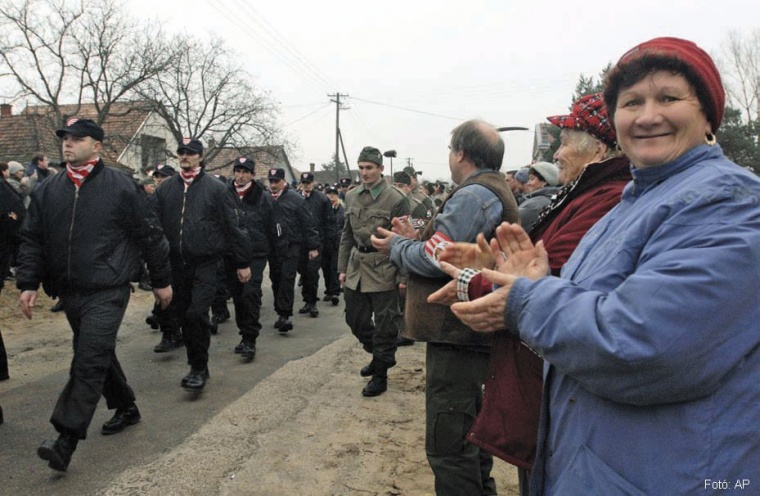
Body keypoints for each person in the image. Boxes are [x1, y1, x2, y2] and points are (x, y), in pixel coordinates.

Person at [446, 38, 760, 495]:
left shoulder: (725, 201)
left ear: (708, 114)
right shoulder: (638, 199)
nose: (648, 115)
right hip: (613, 463)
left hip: (678, 474)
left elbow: (641, 343)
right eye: (632, 102)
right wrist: (523, 277)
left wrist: (526, 297)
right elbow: (591, 302)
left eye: (668, 98)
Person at [431, 92, 630, 496]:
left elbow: (548, 272)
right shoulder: (585, 192)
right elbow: (531, 268)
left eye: (566, 140)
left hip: (556, 377)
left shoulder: (603, 198)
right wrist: (491, 265)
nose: (557, 153)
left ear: (598, 147)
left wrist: (474, 279)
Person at [15, 118, 172, 472]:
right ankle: (126, 406)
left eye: (77, 139)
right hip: (69, 290)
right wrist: (28, 283)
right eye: (65, 139)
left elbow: (151, 235)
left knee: (87, 357)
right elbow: (32, 240)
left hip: (108, 287)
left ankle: (65, 439)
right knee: (95, 353)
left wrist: (161, 280)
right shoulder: (48, 190)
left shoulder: (121, 187)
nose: (68, 145)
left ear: (97, 145)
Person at [371, 120, 518, 495]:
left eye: (451, 150)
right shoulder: (485, 192)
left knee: (449, 444)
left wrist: (397, 247)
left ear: (462, 154)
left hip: (460, 339)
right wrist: (414, 240)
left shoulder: (473, 196)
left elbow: (438, 258)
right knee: (469, 437)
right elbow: (445, 247)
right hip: (467, 336)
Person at [154, 138, 251, 391]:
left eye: (191, 153)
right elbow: (153, 228)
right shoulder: (166, 190)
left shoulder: (215, 188)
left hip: (206, 263)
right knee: (184, 314)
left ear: (200, 156)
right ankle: (196, 364)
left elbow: (232, 227)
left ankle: (199, 368)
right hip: (176, 264)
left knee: (197, 313)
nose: (185, 156)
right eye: (182, 153)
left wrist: (242, 262)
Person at [338, 146, 410, 397]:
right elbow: (346, 235)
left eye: (369, 168)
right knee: (354, 319)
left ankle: (380, 374)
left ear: (380, 169)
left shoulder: (396, 198)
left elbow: (405, 241)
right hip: (357, 266)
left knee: (386, 325)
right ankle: (380, 357)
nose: (364, 172)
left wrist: (403, 277)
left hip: (384, 267)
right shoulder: (351, 196)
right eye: (361, 167)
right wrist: (342, 268)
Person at [228, 157, 277, 359]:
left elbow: (271, 224)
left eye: (245, 172)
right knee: (238, 295)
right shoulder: (225, 193)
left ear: (252, 175)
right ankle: (243, 333)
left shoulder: (262, 197)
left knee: (250, 293)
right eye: (238, 171)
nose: (240, 176)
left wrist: (274, 252)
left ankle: (250, 338)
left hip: (255, 252)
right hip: (231, 253)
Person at [266, 168, 319, 333]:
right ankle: (279, 309)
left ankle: (284, 315)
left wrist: (313, 246)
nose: (273, 185)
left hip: (291, 245)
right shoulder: (265, 199)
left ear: (283, 181)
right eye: (271, 181)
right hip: (273, 246)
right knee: (275, 278)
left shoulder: (295, 199)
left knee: (287, 278)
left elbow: (308, 224)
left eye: (276, 181)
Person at [297, 171, 334, 318]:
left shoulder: (322, 199)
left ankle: (312, 302)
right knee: (303, 272)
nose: (306, 186)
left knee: (312, 272)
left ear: (313, 183)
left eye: (308, 183)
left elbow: (329, 221)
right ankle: (307, 300)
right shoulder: (296, 197)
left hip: (317, 241)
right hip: (299, 242)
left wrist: (327, 242)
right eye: (304, 183)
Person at [517, 161, 559, 231]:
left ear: (544, 182)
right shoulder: (552, 199)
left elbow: (507, 224)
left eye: (532, 179)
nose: (528, 183)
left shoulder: (534, 205)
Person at [321, 185, 344, 305]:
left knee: (334, 267)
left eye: (334, 194)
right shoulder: (323, 208)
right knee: (325, 267)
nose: (331, 196)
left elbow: (344, 225)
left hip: (337, 242)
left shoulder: (342, 209)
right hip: (324, 242)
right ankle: (329, 290)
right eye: (329, 194)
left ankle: (335, 292)